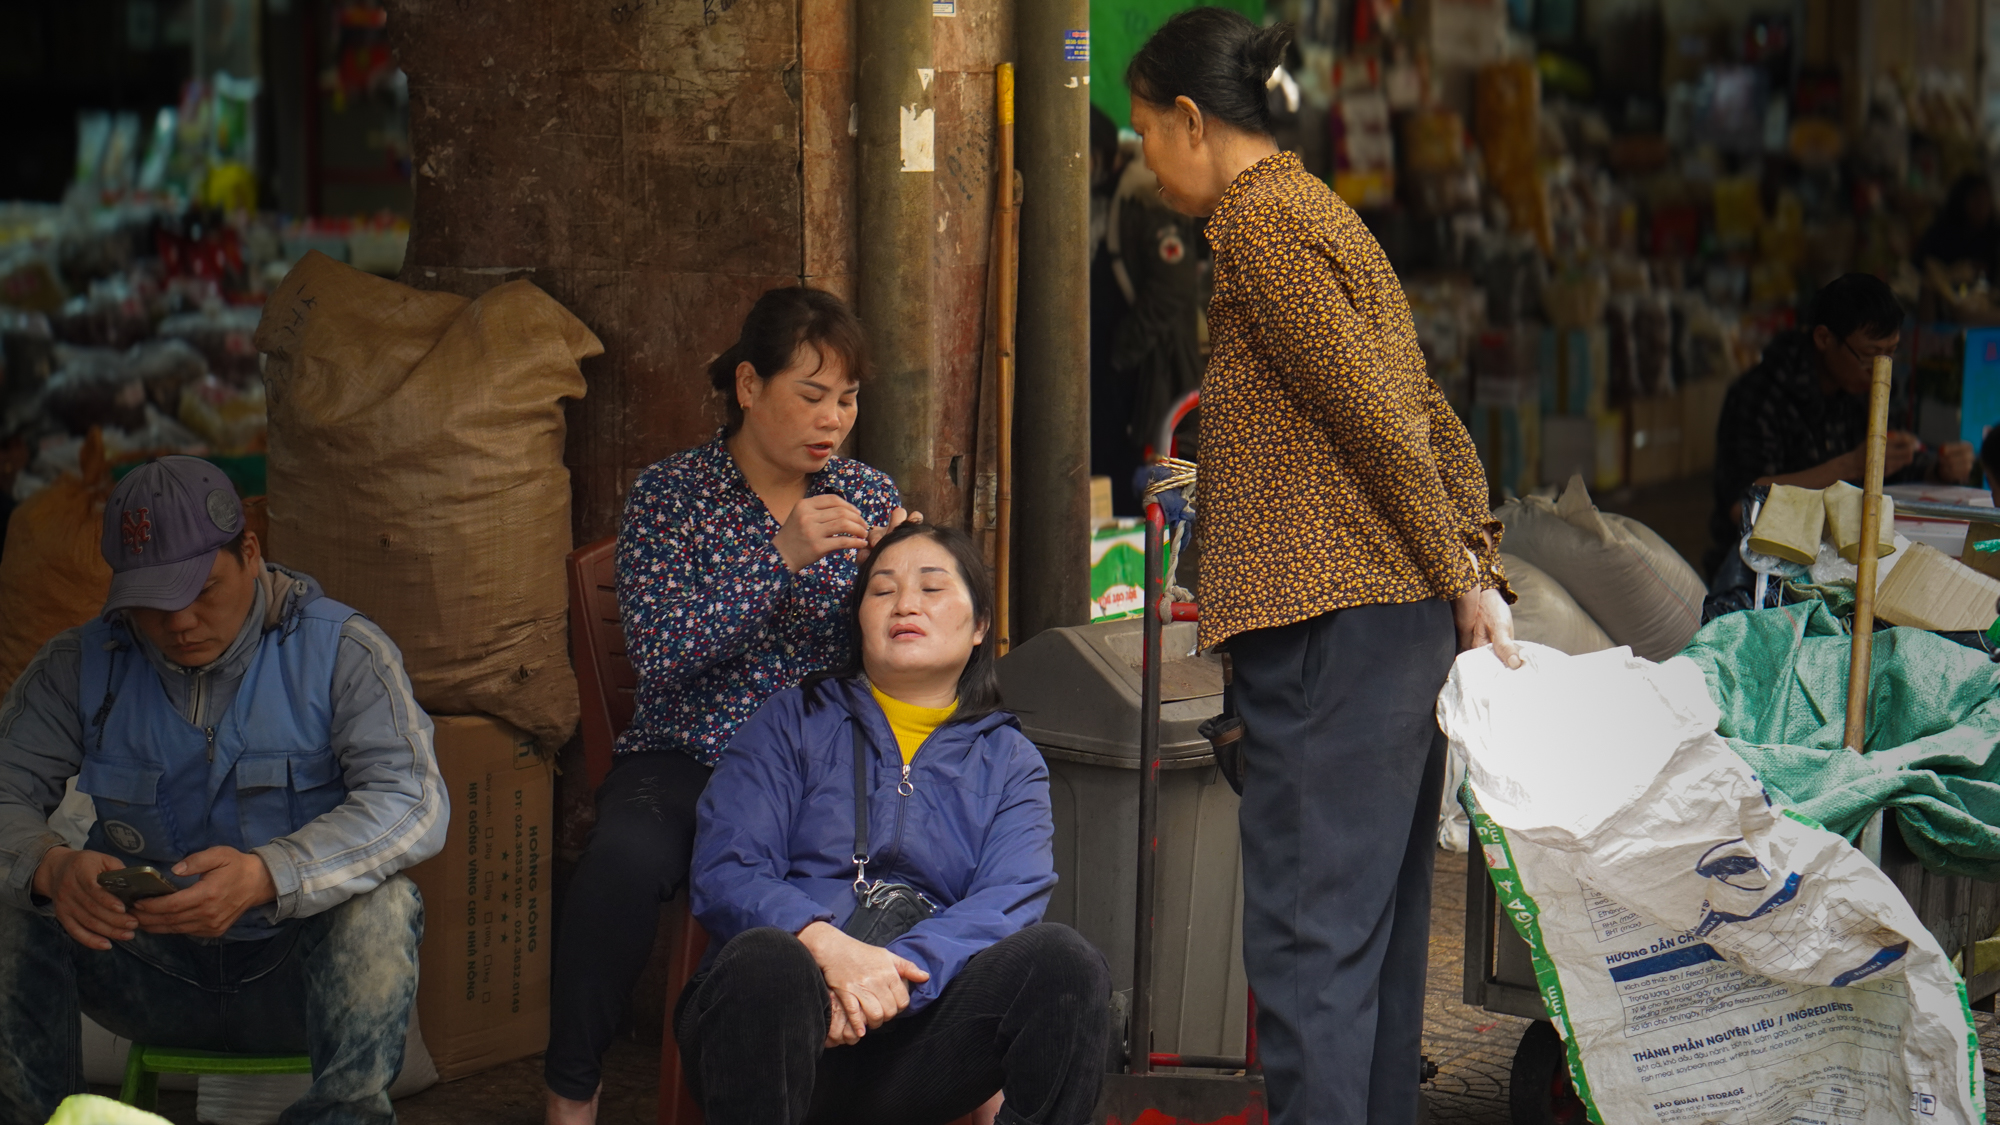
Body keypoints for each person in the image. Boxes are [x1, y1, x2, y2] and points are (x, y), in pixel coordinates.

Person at [1123, 10, 1518, 1125]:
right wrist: (1465, 559)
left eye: (1148, 130)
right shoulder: (1321, 211)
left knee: (1308, 960)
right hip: (1380, 631)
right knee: (1367, 957)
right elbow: (1421, 406)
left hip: (1329, 632)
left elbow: (1382, 419)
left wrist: (1465, 574)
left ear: (1194, 121)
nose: (1146, 159)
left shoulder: (1261, 230)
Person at [546, 286, 916, 1124]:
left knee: (924, 854)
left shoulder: (861, 490)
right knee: (621, 865)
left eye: (848, 398)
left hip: (820, 762)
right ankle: (571, 1094)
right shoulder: (672, 496)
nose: (833, 419)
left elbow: (885, 666)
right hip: (691, 753)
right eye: (811, 394)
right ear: (749, 386)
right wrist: (777, 555)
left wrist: (899, 579)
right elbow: (662, 653)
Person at [0, 456, 445, 1123]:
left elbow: (414, 802)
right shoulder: (78, 664)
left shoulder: (343, 650)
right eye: (151, 602)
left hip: (290, 979)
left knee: (382, 905)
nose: (179, 621)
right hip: (145, 971)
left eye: (202, 589)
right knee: (12, 897)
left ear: (251, 552)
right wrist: (51, 867)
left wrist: (272, 873)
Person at [676, 523, 1109, 1125]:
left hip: (915, 1048)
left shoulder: (1011, 763)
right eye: (882, 591)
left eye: (932, 588)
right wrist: (828, 951)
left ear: (981, 625)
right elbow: (727, 868)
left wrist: (890, 978)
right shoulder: (791, 720)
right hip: (770, 1028)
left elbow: (1007, 903)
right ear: (859, 619)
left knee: (1066, 963)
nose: (905, 603)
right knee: (770, 961)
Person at [1708, 273, 1975, 577]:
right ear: (1824, 338)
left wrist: (1937, 470)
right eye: (1871, 355)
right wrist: (1850, 465)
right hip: (1765, 567)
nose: (1881, 368)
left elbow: (1894, 470)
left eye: (1892, 352)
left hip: (1838, 563)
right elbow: (1742, 505)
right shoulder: (1760, 393)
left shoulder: (1862, 388)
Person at [1915, 173, 2000, 284]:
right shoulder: (1942, 234)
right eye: (1976, 198)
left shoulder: (1993, 238)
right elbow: (1921, 265)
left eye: (1986, 200)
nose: (1982, 206)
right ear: (1961, 200)